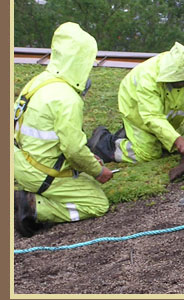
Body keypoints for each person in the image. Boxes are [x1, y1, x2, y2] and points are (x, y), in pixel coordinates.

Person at [14, 22, 114, 237]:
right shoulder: (67, 97)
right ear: (81, 61)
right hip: (41, 171)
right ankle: (34, 207)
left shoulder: (39, 81)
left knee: (85, 180)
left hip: (21, 161)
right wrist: (98, 171)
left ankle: (35, 194)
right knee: (97, 202)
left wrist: (88, 161)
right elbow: (74, 149)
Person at [87, 42, 184, 165]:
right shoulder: (148, 78)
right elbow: (152, 115)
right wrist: (175, 138)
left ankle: (130, 136)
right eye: (182, 80)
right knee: (148, 153)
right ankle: (105, 144)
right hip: (135, 106)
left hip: (164, 111)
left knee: (170, 145)